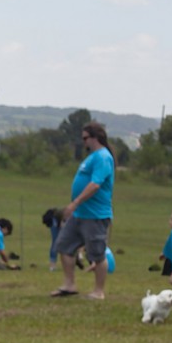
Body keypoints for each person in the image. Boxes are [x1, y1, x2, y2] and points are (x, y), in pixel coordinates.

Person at [51, 121, 115, 300]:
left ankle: (98, 291)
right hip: (80, 214)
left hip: (95, 215)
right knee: (64, 246)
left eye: (85, 138)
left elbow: (95, 184)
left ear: (96, 137)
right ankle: (69, 285)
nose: (83, 142)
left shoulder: (103, 157)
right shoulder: (92, 157)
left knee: (97, 254)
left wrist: (75, 203)